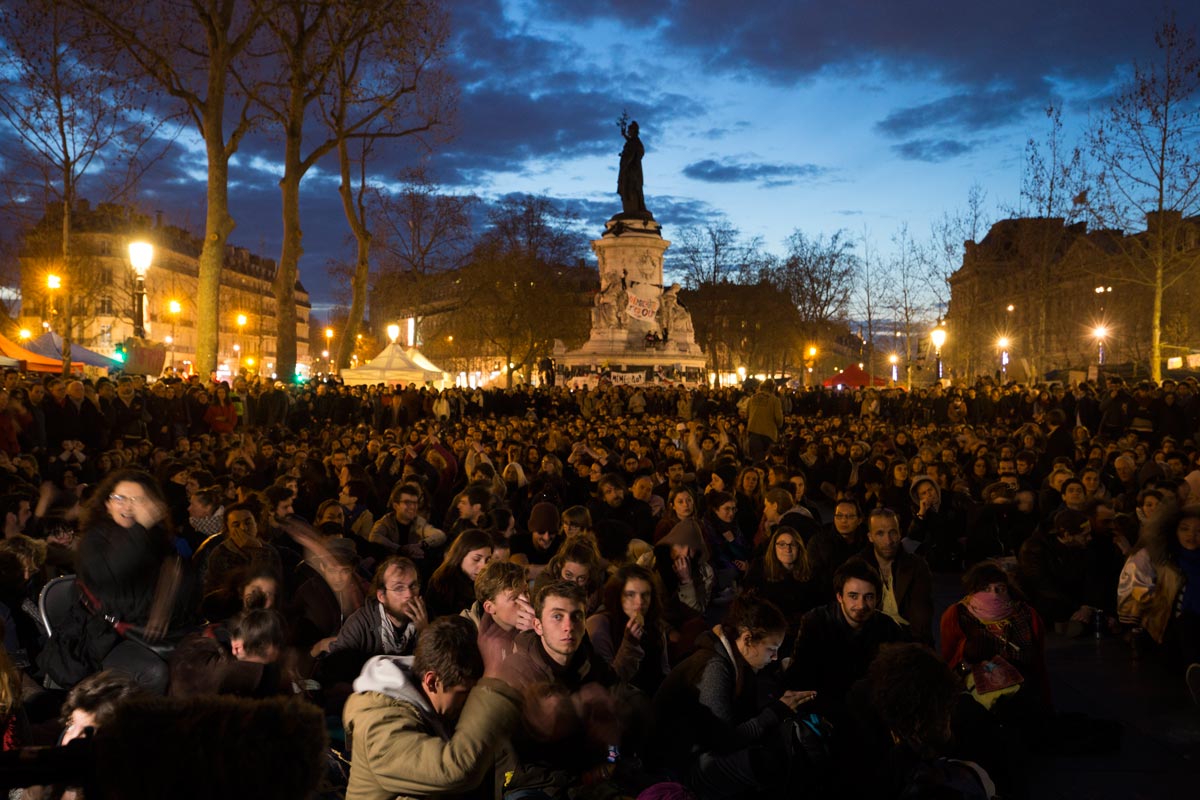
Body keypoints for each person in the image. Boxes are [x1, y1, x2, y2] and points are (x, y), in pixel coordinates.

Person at [647, 591, 816, 799]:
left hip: (697, 752)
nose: (775, 657)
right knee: (764, 764)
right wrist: (777, 710)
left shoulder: (738, 664)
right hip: (678, 769)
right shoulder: (714, 669)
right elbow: (724, 742)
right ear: (747, 639)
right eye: (771, 649)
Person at [342, 616, 524, 800]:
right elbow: (453, 770)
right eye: (464, 693)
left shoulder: (436, 706)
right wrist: (494, 687)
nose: (470, 702)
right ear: (432, 681)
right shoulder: (380, 724)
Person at [785, 558, 907, 715]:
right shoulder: (815, 621)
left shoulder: (888, 627)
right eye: (853, 596)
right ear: (839, 597)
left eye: (869, 597)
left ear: (877, 599)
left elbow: (899, 677)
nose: (861, 605)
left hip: (871, 706)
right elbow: (800, 674)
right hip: (825, 705)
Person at [940, 561, 1051, 715]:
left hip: (1022, 688)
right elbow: (949, 659)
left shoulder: (1025, 614)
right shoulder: (958, 616)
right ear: (974, 590)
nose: (994, 594)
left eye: (1000, 588)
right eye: (986, 588)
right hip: (978, 691)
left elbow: (1038, 662)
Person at [1117, 504, 1200, 702]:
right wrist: (1152, 601)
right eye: (1185, 528)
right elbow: (1135, 592)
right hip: (1170, 634)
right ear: (1174, 530)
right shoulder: (1163, 561)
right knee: (1188, 621)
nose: (1192, 535)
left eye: (1199, 530)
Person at [585, 563, 671, 694]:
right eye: (630, 595)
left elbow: (665, 671)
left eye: (645, 594)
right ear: (618, 595)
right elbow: (609, 685)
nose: (639, 602)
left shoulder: (655, 625)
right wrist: (630, 644)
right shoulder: (599, 625)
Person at [859, 508, 934, 646]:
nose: (888, 541)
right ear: (870, 537)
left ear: (900, 533)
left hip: (908, 639)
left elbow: (921, 618)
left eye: (892, 532)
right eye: (880, 533)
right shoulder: (858, 566)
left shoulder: (916, 566)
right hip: (870, 639)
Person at [742, 526, 821, 650]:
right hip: (768, 630)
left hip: (800, 631)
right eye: (782, 544)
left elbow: (816, 606)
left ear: (799, 548)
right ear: (774, 547)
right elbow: (749, 601)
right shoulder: (760, 568)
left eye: (792, 544)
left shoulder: (811, 572)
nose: (787, 549)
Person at [424, 529, 493, 620]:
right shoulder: (442, 583)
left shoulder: (486, 579)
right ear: (460, 555)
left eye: (488, 560)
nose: (483, 566)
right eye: (476, 559)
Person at [617, 118, 645, 215]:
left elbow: (634, 152)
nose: (628, 132)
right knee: (626, 188)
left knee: (631, 187)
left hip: (632, 171)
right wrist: (624, 135)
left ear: (634, 131)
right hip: (628, 169)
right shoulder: (633, 141)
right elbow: (631, 144)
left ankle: (634, 207)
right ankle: (630, 207)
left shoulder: (635, 142)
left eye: (629, 130)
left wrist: (626, 158)